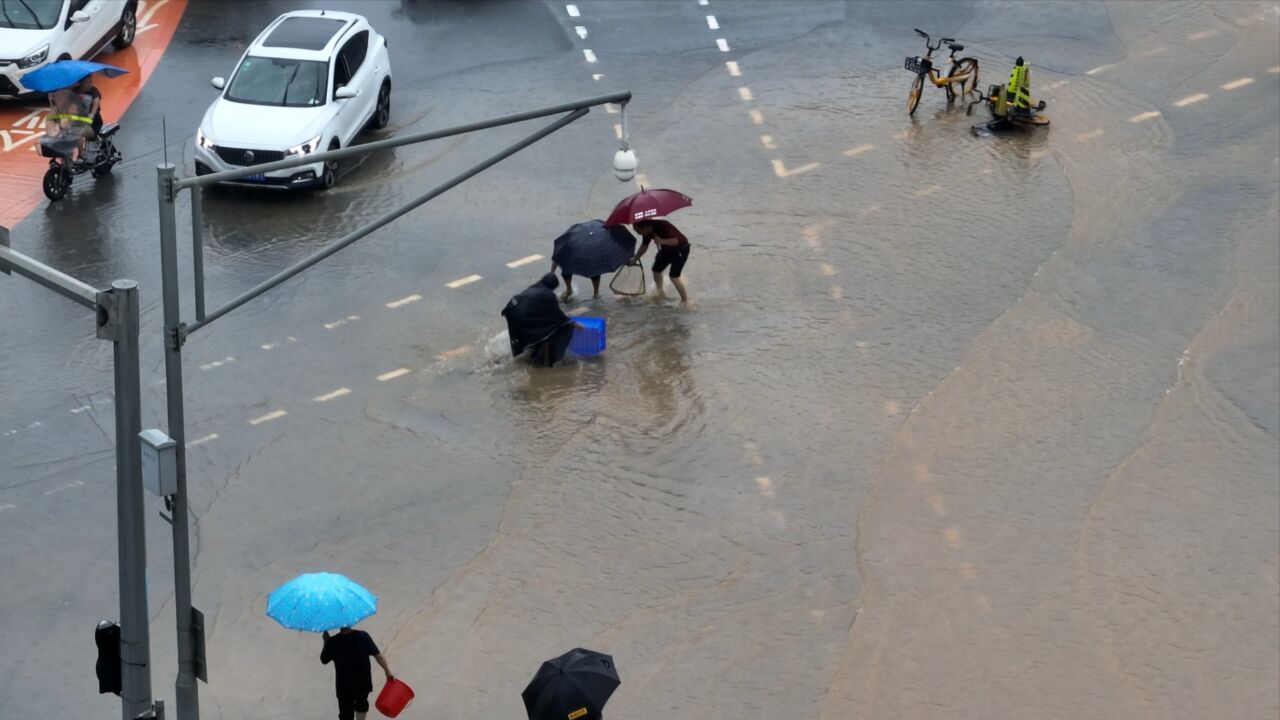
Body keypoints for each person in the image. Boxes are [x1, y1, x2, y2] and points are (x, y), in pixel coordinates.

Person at [501, 273, 578, 366]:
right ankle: (546, 362)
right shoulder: (548, 295)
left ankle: (513, 359)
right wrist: (571, 322)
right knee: (550, 330)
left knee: (533, 332)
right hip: (520, 315)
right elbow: (558, 317)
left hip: (512, 312)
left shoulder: (533, 288)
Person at [320, 626, 393, 720]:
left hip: (344, 685)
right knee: (362, 704)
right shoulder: (363, 636)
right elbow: (378, 656)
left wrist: (326, 641)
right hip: (362, 682)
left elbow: (324, 660)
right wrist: (387, 671)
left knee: (345, 713)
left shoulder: (333, 641)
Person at [629, 218, 690, 303]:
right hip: (666, 250)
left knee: (673, 276)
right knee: (656, 270)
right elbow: (644, 246)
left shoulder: (662, 225)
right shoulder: (647, 232)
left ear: (645, 227)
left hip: (681, 249)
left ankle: (685, 301)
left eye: (638, 231)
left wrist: (661, 241)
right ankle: (660, 292)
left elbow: (675, 241)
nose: (638, 233)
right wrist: (635, 258)